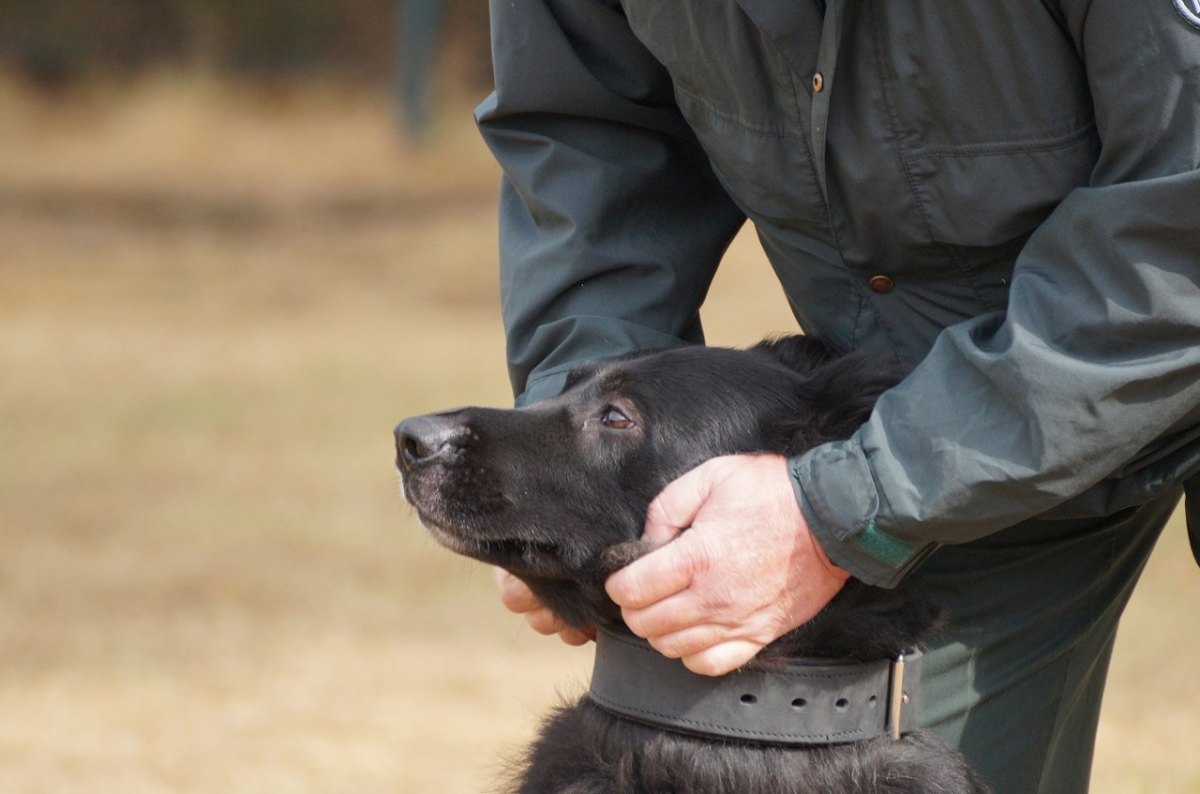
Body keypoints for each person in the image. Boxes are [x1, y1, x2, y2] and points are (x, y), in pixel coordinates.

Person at [475, 2, 1200, 792]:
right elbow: (590, 141)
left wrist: (847, 502)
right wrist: (583, 479)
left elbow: (1179, 230)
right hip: (931, 415)